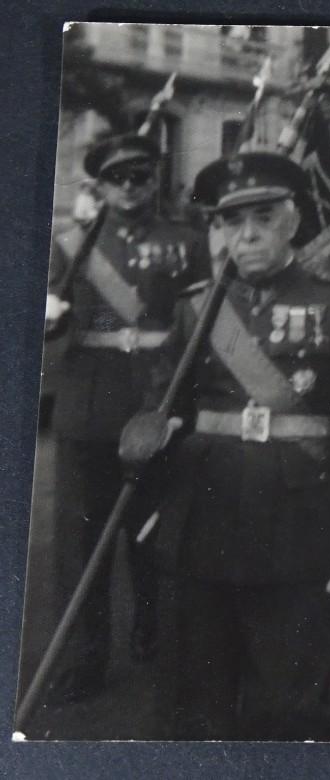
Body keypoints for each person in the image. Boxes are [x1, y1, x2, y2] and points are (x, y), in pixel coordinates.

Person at [120, 151, 330, 739]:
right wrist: (153, 432)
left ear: (292, 222)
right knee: (196, 707)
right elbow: (162, 403)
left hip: (299, 531)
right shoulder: (198, 307)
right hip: (203, 526)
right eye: (231, 222)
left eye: (263, 218)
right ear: (218, 229)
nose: (246, 236)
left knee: (290, 709)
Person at [43, 132, 208, 703]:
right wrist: (49, 318)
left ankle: (153, 634)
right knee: (80, 543)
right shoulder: (70, 247)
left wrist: (185, 406)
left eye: (141, 175)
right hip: (89, 410)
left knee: (155, 536)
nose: (131, 187)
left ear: (155, 178)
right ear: (101, 186)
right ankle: (85, 660)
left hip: (157, 405)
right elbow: (44, 326)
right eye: (119, 178)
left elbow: (202, 329)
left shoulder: (187, 243)